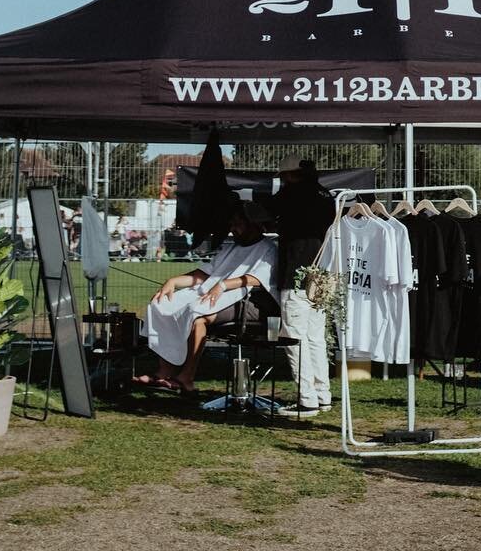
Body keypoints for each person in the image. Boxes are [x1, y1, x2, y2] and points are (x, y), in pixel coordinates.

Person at [136, 201, 278, 394]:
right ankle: (165, 371)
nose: (233, 229)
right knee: (160, 304)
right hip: (215, 293)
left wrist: (223, 285)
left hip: (247, 301)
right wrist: (173, 282)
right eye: (232, 224)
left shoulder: (268, 249)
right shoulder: (231, 248)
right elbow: (207, 273)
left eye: (238, 224)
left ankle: (186, 378)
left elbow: (256, 278)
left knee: (197, 315)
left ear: (253, 224)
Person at [266, 154, 336, 417]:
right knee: (316, 337)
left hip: (296, 274)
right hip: (321, 275)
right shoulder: (324, 195)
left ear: (289, 175)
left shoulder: (291, 195)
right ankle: (322, 394)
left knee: (293, 337)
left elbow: (263, 212)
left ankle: (306, 398)